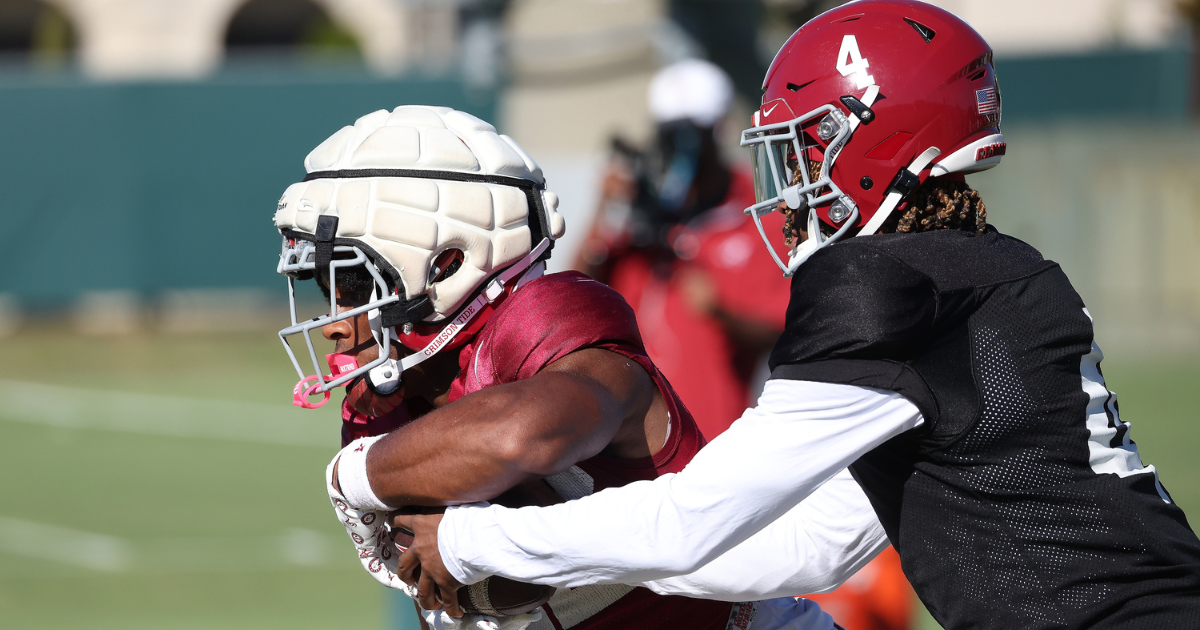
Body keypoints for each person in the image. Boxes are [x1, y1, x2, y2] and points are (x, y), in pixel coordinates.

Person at [390, 4, 1200, 629]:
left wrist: (473, 542)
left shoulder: (886, 283)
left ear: (877, 139)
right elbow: (811, 542)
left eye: (807, 148)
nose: (792, 183)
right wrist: (576, 560)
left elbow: (690, 520)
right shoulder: (994, 268)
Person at [271, 105, 837, 630]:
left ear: (445, 262)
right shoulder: (388, 394)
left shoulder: (545, 318)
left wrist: (354, 477)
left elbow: (521, 437)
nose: (335, 323)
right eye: (327, 290)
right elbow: (458, 595)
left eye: (351, 284)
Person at [577, 59, 791, 440]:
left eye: (690, 136)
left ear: (719, 130)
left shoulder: (760, 219)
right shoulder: (642, 215)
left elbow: (780, 332)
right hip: (626, 444)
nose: (678, 151)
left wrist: (720, 310)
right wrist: (604, 210)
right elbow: (577, 295)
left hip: (712, 439)